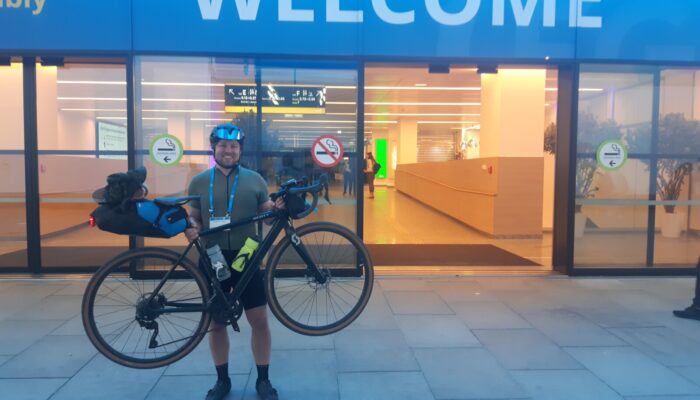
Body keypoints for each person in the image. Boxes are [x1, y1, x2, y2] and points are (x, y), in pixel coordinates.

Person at [184, 123, 284, 400]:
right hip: (212, 255)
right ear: (214, 148)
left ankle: (263, 380)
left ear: (240, 150)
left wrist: (278, 211)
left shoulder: (255, 180)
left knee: (259, 320)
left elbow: (265, 211)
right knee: (216, 323)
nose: (228, 150)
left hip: (246, 254)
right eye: (223, 146)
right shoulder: (199, 181)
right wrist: (191, 225)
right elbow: (194, 215)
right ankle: (222, 381)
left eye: (234, 146)